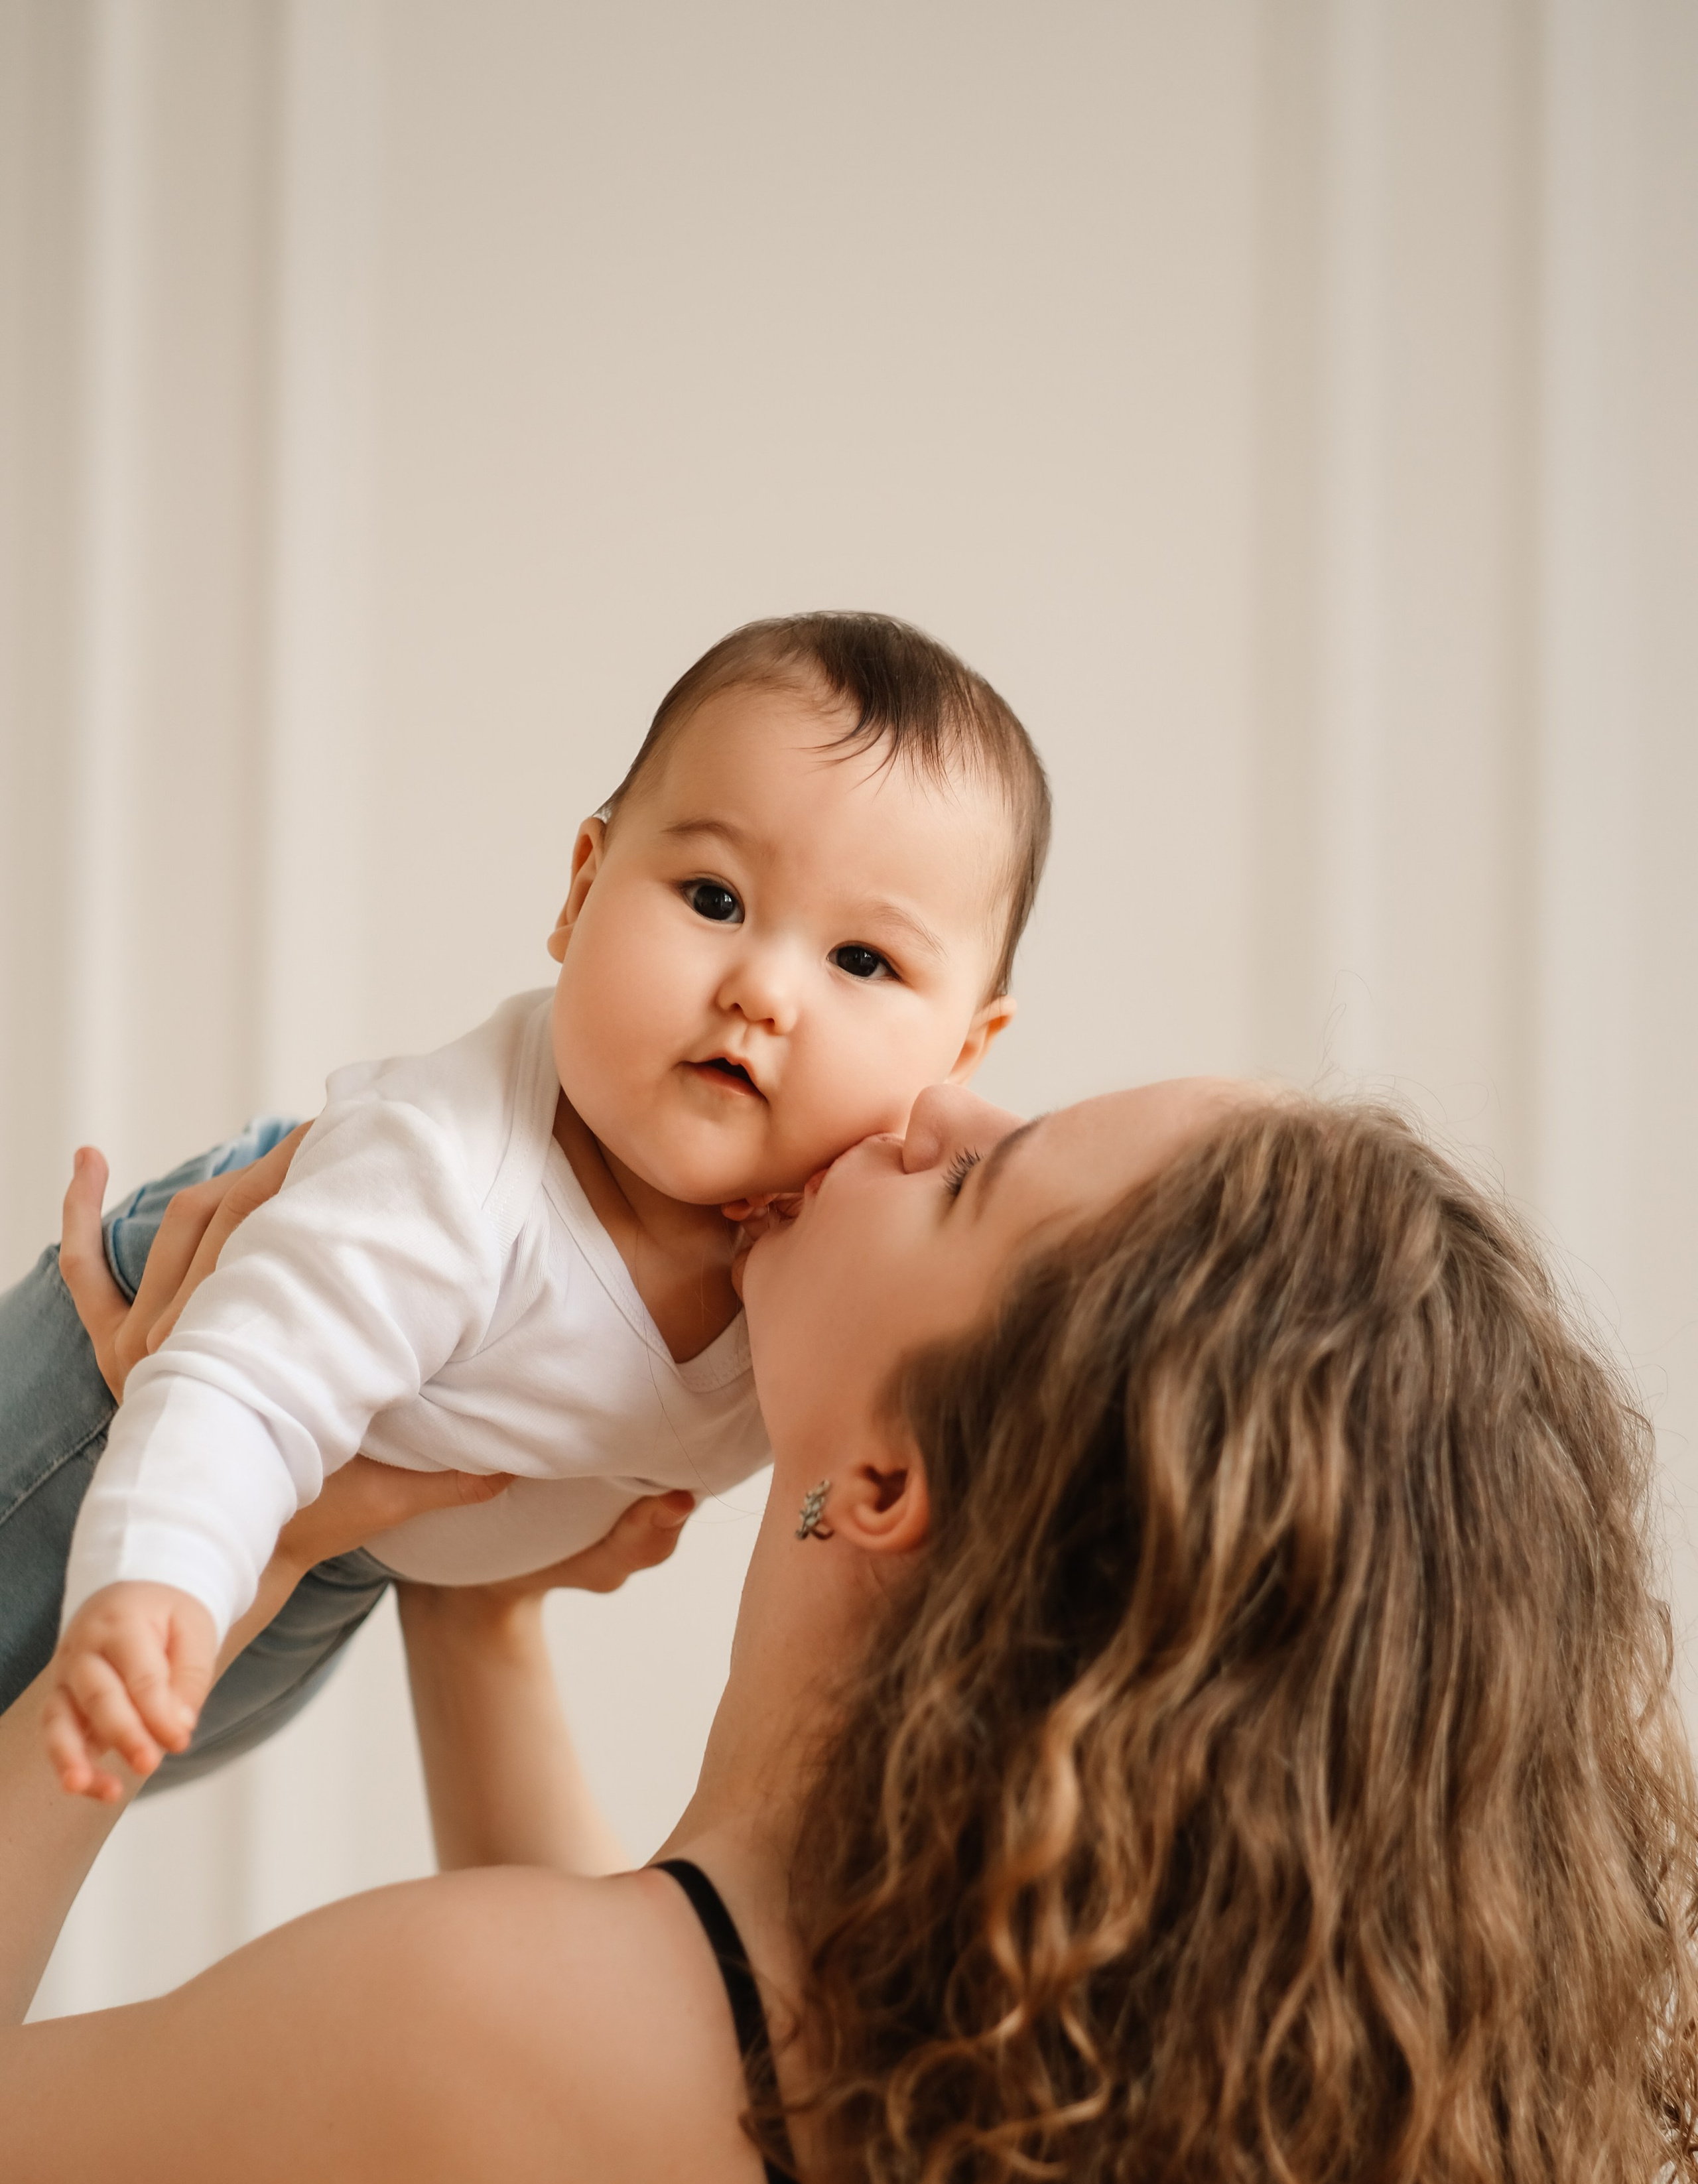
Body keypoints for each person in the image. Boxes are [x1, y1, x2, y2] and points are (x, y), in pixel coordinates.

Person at [3, 1074, 1696, 2184]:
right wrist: (477, 1597)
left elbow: (554, 2081)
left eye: (972, 1180)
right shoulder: (1023, 2123)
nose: (920, 1103)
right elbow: (626, 2122)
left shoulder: (510, 2036)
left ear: (887, 1481)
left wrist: (208, 1571)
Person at [0, 610, 1048, 1795]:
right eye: (714, 898)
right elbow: (240, 1392)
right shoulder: (449, 1173)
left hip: (332, 1562)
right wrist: (155, 1575)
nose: (762, 989)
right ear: (582, 891)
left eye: (862, 961)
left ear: (962, 1056)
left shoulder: (848, 1270)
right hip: (144, 1433)